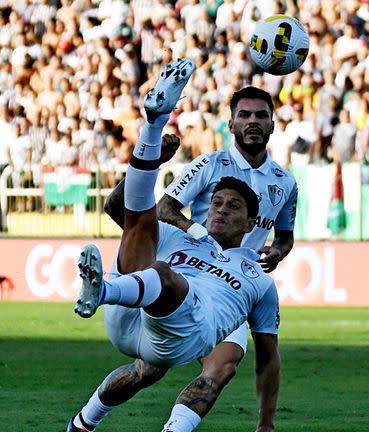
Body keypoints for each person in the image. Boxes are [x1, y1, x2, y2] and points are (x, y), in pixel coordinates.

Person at [67, 58, 280, 432]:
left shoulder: (259, 276)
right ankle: (153, 121)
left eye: (233, 206)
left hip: (198, 320)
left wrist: (266, 423)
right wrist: (154, 158)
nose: (220, 210)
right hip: (135, 315)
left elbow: (268, 355)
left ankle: (103, 291)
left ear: (252, 223)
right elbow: (126, 212)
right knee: (144, 233)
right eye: (216, 203)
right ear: (231, 123)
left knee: (220, 365)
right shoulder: (191, 205)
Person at [156, 85, 298, 409]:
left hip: (238, 284)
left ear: (273, 124)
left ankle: (264, 425)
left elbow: (285, 235)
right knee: (149, 366)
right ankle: (88, 418)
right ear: (231, 123)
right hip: (195, 276)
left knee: (226, 365)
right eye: (244, 115)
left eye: (261, 115)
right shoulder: (207, 164)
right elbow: (164, 208)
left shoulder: (285, 181)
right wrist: (196, 231)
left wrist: (279, 250)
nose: (253, 121)